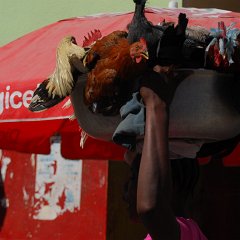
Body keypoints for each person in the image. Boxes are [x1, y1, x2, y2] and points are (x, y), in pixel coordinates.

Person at [123, 81, 208, 239]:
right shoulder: (184, 232)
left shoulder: (183, 232)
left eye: (135, 177)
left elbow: (150, 208)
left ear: (165, 179)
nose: (126, 192)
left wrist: (156, 103)